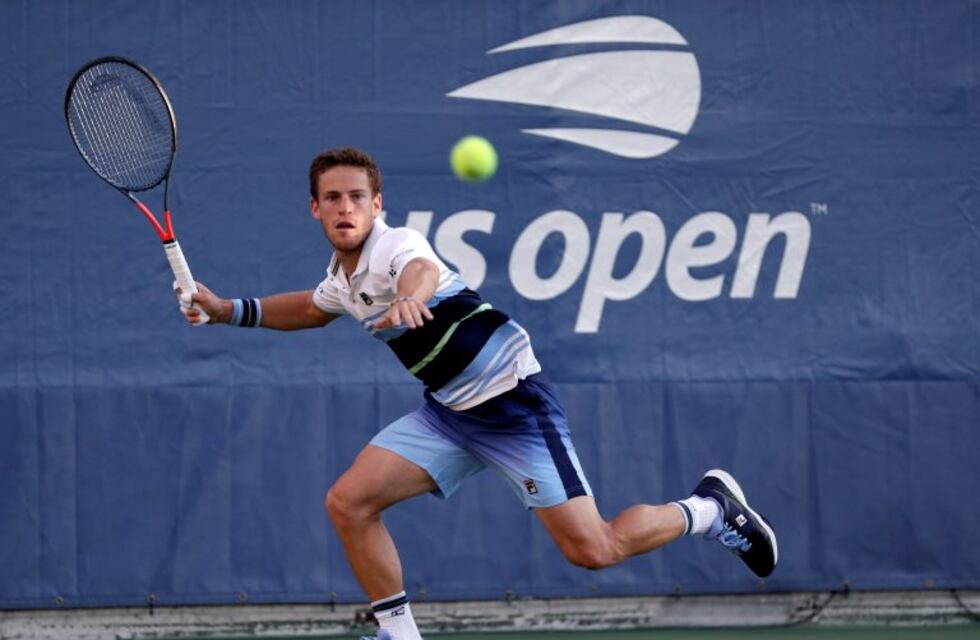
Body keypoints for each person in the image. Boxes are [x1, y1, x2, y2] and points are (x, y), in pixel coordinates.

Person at [177, 147, 777, 640]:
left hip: (515, 405)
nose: (345, 207)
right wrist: (227, 309)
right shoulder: (343, 279)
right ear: (315, 208)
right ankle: (399, 634)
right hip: (449, 414)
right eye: (332, 198)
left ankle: (711, 510)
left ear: (377, 205)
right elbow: (311, 308)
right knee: (348, 503)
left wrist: (410, 297)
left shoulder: (395, 246)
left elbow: (420, 271)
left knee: (594, 549)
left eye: (357, 196)